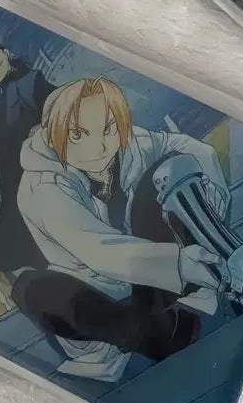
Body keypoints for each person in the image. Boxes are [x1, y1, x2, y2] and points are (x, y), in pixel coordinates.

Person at [13, 77, 229, 381]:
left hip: (153, 282)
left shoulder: (130, 146)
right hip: (100, 291)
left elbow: (190, 149)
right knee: (30, 289)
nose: (99, 146)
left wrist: (213, 191)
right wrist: (179, 264)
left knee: (168, 168)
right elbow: (97, 251)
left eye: (108, 128)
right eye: (78, 134)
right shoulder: (43, 186)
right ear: (54, 134)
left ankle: (189, 299)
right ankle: (150, 334)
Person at [0, 41, 55, 272]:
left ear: (6, 53)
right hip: (17, 183)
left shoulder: (31, 81)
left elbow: (57, 105)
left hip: (43, 169)